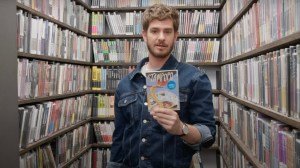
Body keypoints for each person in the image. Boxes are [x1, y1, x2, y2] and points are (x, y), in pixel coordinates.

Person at [108, 4, 216, 168]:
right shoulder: (125, 84)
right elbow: (119, 138)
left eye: (167, 31)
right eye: (154, 31)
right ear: (144, 35)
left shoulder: (195, 79)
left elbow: (208, 134)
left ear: (176, 36)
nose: (161, 37)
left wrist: (181, 128)